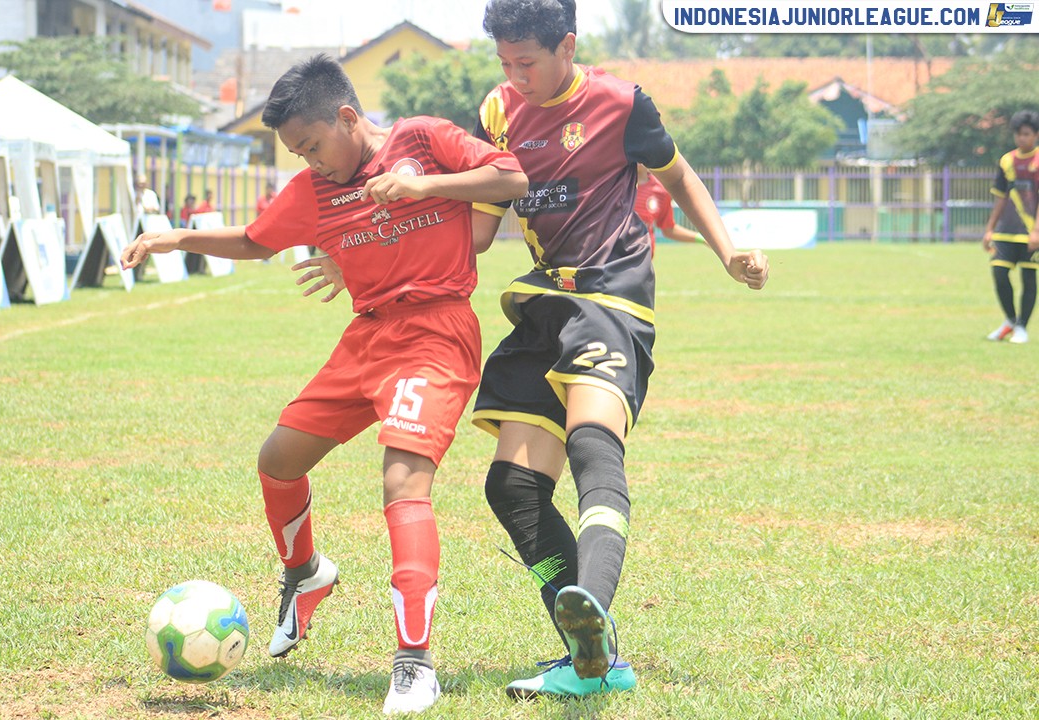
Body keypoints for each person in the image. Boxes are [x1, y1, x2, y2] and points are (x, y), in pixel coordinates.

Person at [119, 54, 527, 715]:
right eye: (297, 154)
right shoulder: (315, 190)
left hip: (435, 334)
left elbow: (511, 175)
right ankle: (306, 574)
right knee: (278, 459)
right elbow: (256, 241)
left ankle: (414, 666)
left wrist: (422, 189)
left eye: (311, 146)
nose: (310, 163)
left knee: (402, 480)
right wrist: (174, 238)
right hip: (366, 338)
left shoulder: (421, 140)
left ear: (346, 117)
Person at [468, 0, 769, 700]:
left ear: (567, 45)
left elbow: (681, 177)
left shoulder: (621, 103)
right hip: (543, 303)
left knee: (592, 444)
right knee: (510, 487)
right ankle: (595, 657)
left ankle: (590, 625)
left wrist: (727, 253)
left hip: (611, 297)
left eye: (528, 62)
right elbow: (478, 232)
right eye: (504, 63)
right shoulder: (496, 111)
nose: (515, 77)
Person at [982, 108, 1039, 344]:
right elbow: (1001, 197)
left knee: (1028, 278)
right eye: (1018, 134)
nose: (1022, 138)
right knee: (998, 272)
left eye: (1026, 134)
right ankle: (1010, 320)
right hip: (1006, 231)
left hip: (1030, 233)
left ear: (1035, 135)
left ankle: (1022, 327)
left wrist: (1036, 230)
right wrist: (989, 229)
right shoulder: (1007, 161)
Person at [635, 164, 703, 255]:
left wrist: (701, 238)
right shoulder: (615, 185)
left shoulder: (660, 191)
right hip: (615, 260)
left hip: (643, 259)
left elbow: (668, 229)